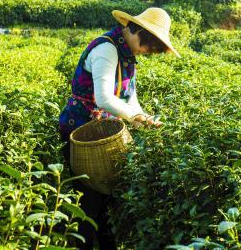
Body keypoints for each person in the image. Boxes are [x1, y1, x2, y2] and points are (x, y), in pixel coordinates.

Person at [58, 7, 180, 250]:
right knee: (89, 202)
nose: (146, 51)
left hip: (104, 133)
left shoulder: (127, 55)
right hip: (82, 132)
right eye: (148, 45)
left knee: (106, 202)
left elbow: (129, 99)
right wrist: (138, 118)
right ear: (137, 31)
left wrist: (145, 120)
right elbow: (104, 99)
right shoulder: (107, 48)